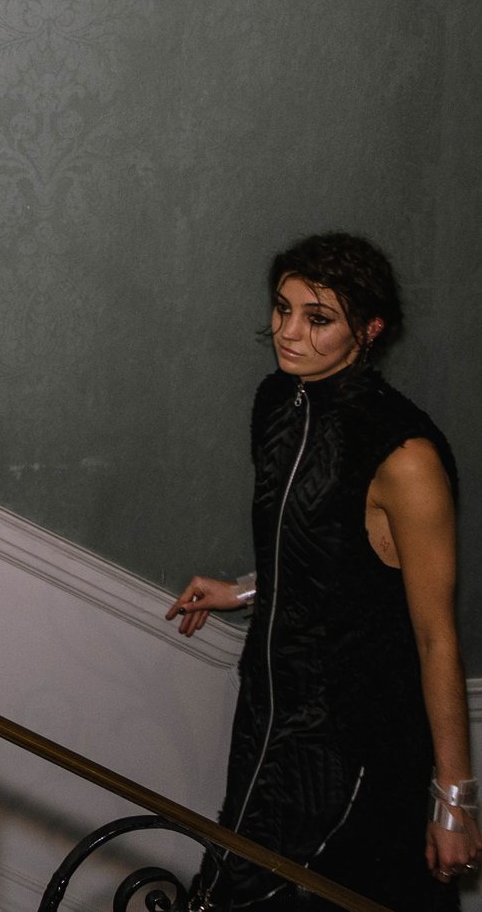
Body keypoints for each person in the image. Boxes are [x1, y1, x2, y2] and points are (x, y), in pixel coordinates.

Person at [169, 234, 471, 908]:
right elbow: (324, 549)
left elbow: (436, 636)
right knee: (235, 877)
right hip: (268, 707)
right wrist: (242, 589)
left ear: (369, 329)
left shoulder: (406, 454)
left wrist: (454, 799)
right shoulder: (277, 402)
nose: (289, 332)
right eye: (281, 309)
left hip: (353, 735)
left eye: (318, 318)